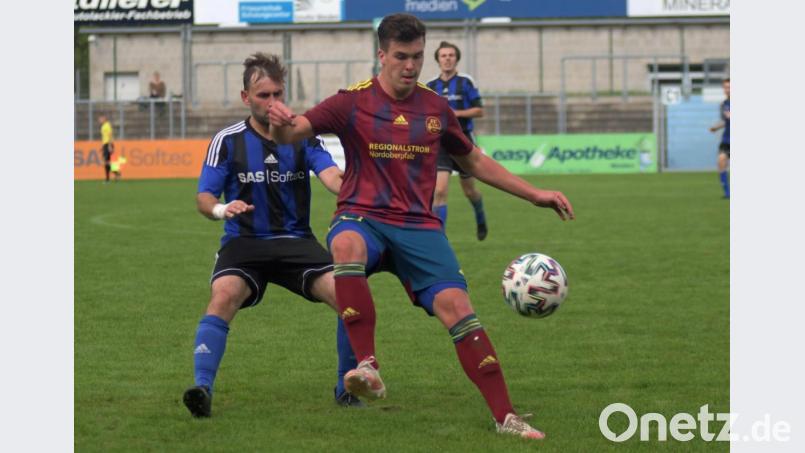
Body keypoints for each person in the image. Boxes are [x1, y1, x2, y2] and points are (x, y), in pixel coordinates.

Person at [267, 14, 574, 440]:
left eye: (416, 57)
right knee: (348, 245)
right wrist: (277, 120)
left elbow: (474, 161)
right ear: (382, 55)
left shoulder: (435, 107)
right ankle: (367, 366)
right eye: (400, 57)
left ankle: (507, 417)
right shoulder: (351, 101)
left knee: (459, 310)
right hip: (363, 216)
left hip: (419, 228)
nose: (410, 66)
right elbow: (292, 132)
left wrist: (534, 193)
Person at [183, 52, 363, 418]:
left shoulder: (302, 135)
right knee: (223, 296)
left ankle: (346, 385)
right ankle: (202, 388)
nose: (271, 103)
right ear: (245, 98)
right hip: (244, 243)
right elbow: (204, 198)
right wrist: (222, 209)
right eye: (263, 95)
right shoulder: (227, 140)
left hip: (296, 242)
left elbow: (330, 175)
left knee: (350, 298)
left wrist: (349, 192)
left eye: (277, 94)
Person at [426, 41, 488, 240]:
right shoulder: (430, 86)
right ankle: (440, 238)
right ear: (438, 60)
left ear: (456, 58)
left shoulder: (466, 82)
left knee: (470, 191)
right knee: (440, 190)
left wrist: (456, 113)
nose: (447, 59)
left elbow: (480, 110)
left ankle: (480, 216)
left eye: (451, 55)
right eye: (443, 56)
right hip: (441, 144)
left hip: (463, 142)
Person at [708, 78, 730, 199]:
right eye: (726, 87)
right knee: (721, 161)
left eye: (730, 87)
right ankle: (728, 193)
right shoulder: (723, 104)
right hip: (727, 140)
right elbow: (726, 121)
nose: (728, 89)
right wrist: (716, 127)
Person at [98, 114, 114, 183]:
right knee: (106, 161)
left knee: (105, 161)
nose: (99, 120)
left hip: (108, 144)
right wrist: (102, 146)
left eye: (100, 119)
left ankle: (108, 179)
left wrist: (110, 145)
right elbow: (105, 137)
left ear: (104, 118)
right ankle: (115, 173)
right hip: (105, 145)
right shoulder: (103, 126)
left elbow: (110, 135)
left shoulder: (107, 125)